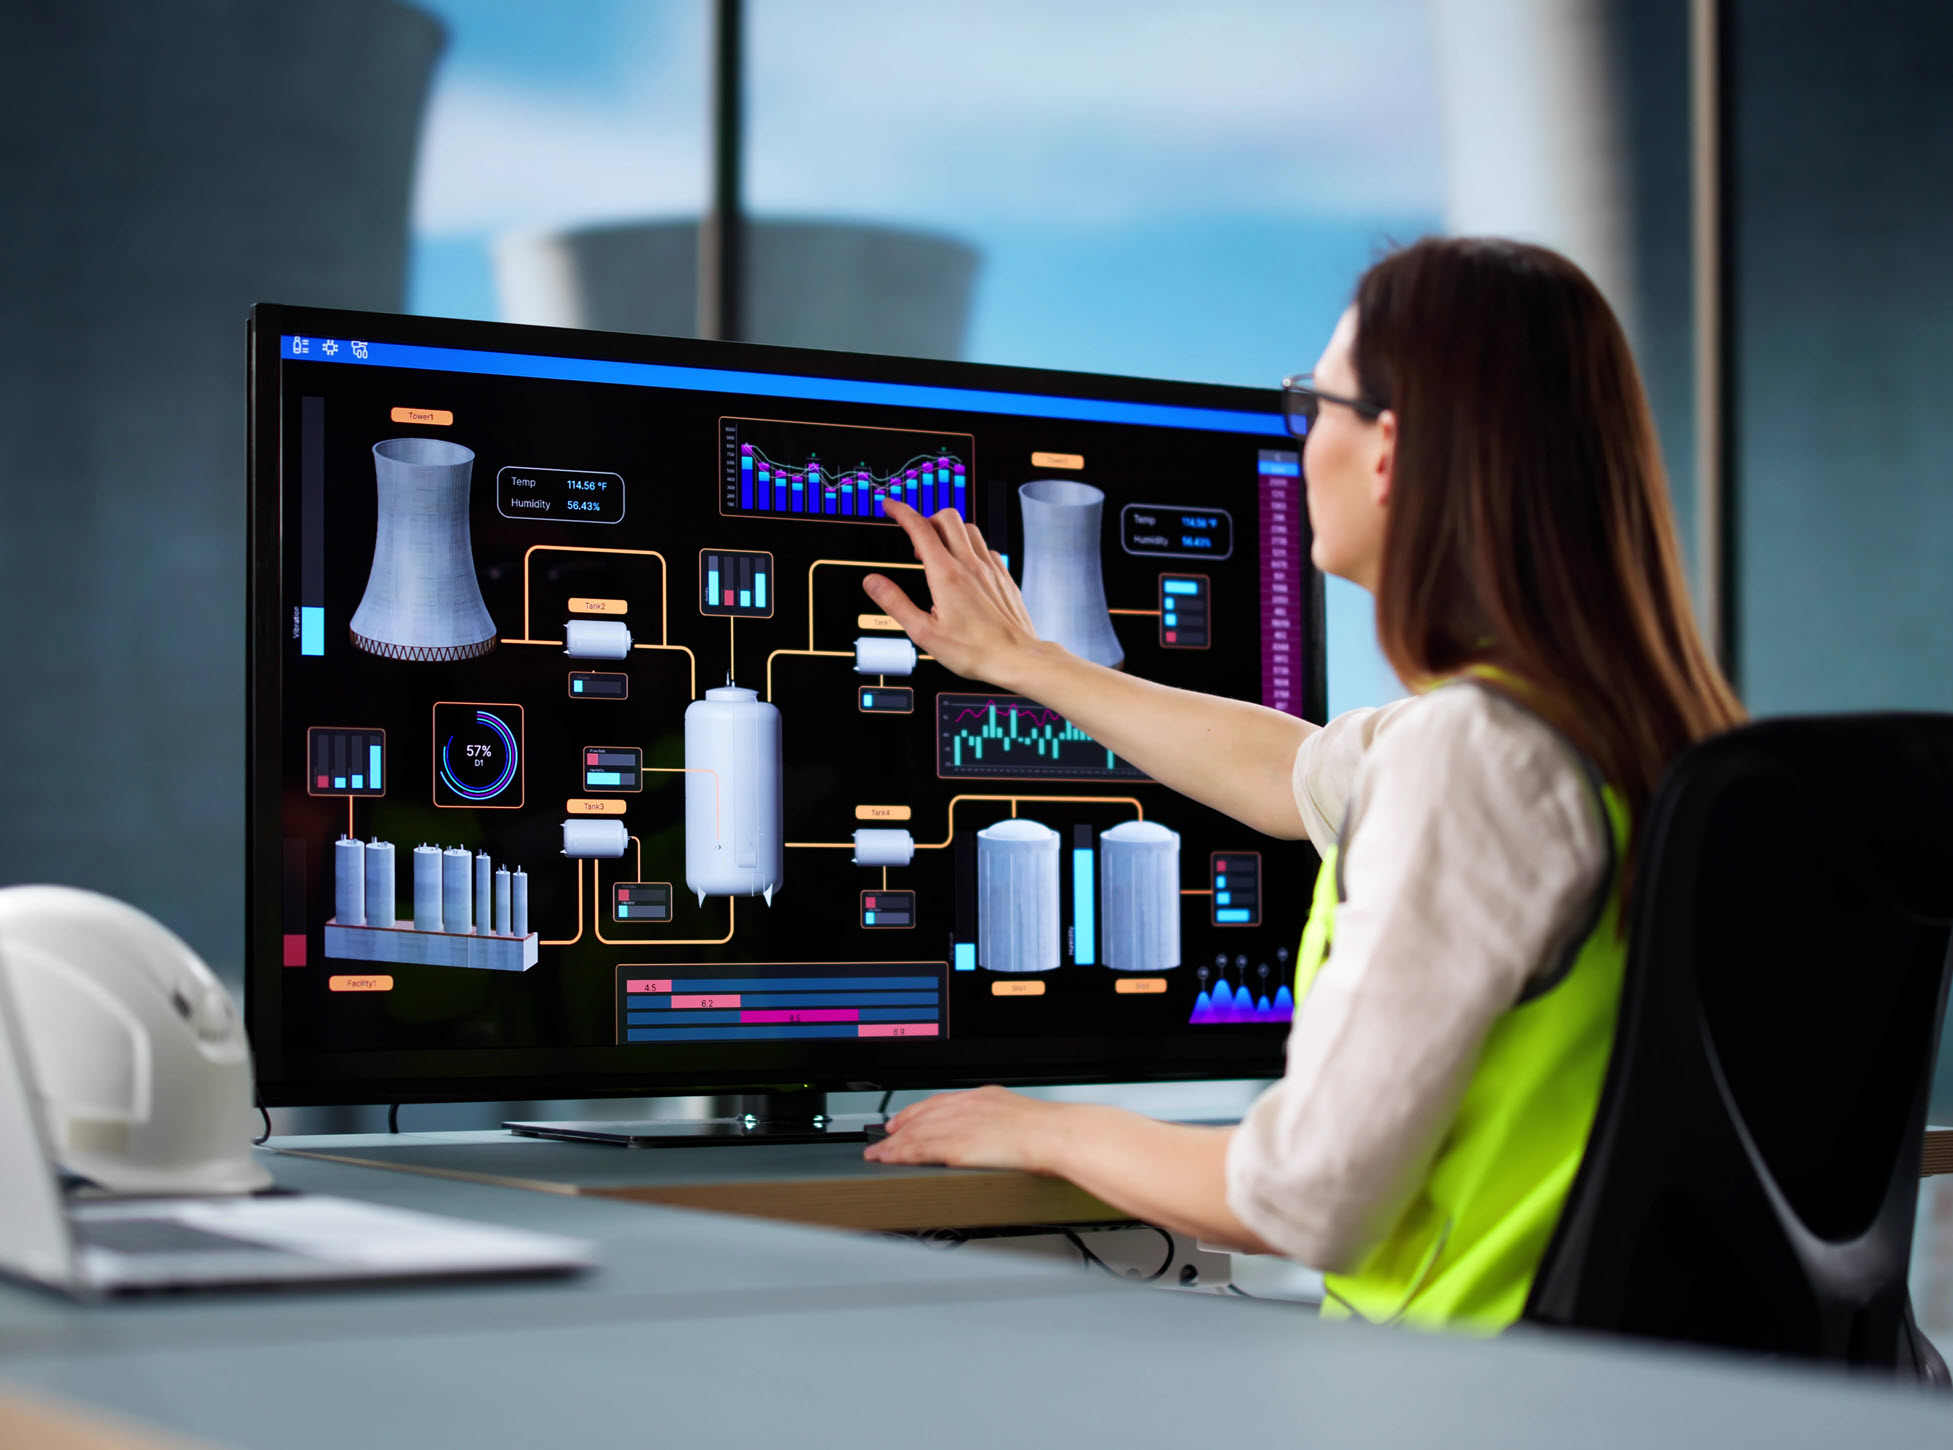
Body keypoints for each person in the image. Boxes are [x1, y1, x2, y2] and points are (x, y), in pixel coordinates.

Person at [856, 236, 1744, 1333]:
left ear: (1388, 451)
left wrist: (1040, 1128)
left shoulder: (1475, 758)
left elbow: (1306, 1195)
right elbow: (1295, 775)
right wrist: (1028, 663)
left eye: (1313, 402)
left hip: (1485, 1404)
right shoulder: (1652, 741)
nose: (1301, 432)